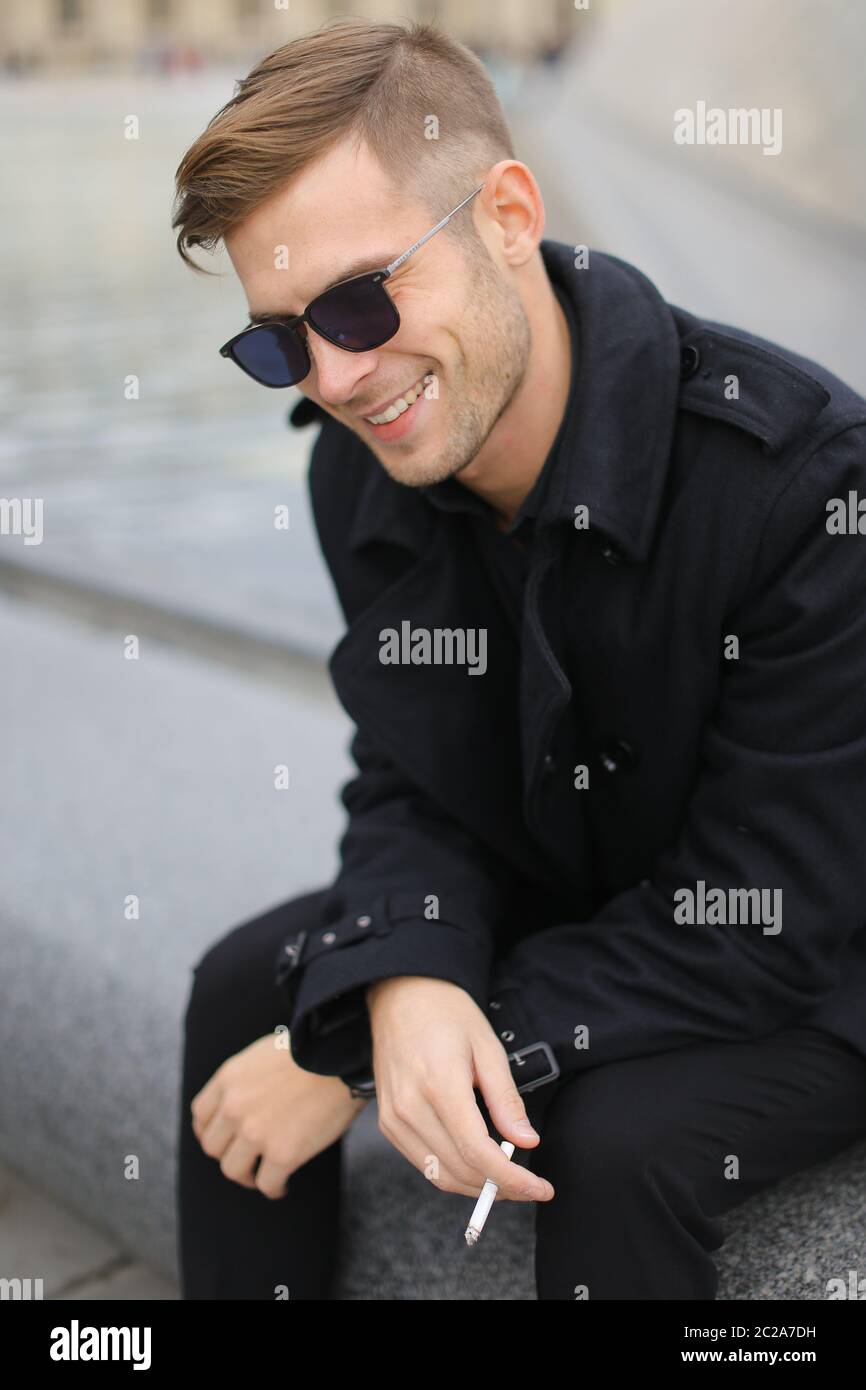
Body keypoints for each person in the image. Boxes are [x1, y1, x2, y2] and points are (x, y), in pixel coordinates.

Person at [171, 18, 866, 1300]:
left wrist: (380, 1044)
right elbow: (413, 775)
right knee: (243, 994)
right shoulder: (360, 466)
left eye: (360, 299)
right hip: (593, 879)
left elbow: (767, 914)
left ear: (504, 214)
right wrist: (398, 971)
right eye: (277, 340)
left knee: (613, 1143)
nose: (334, 375)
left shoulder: (807, 480)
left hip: (819, 944)